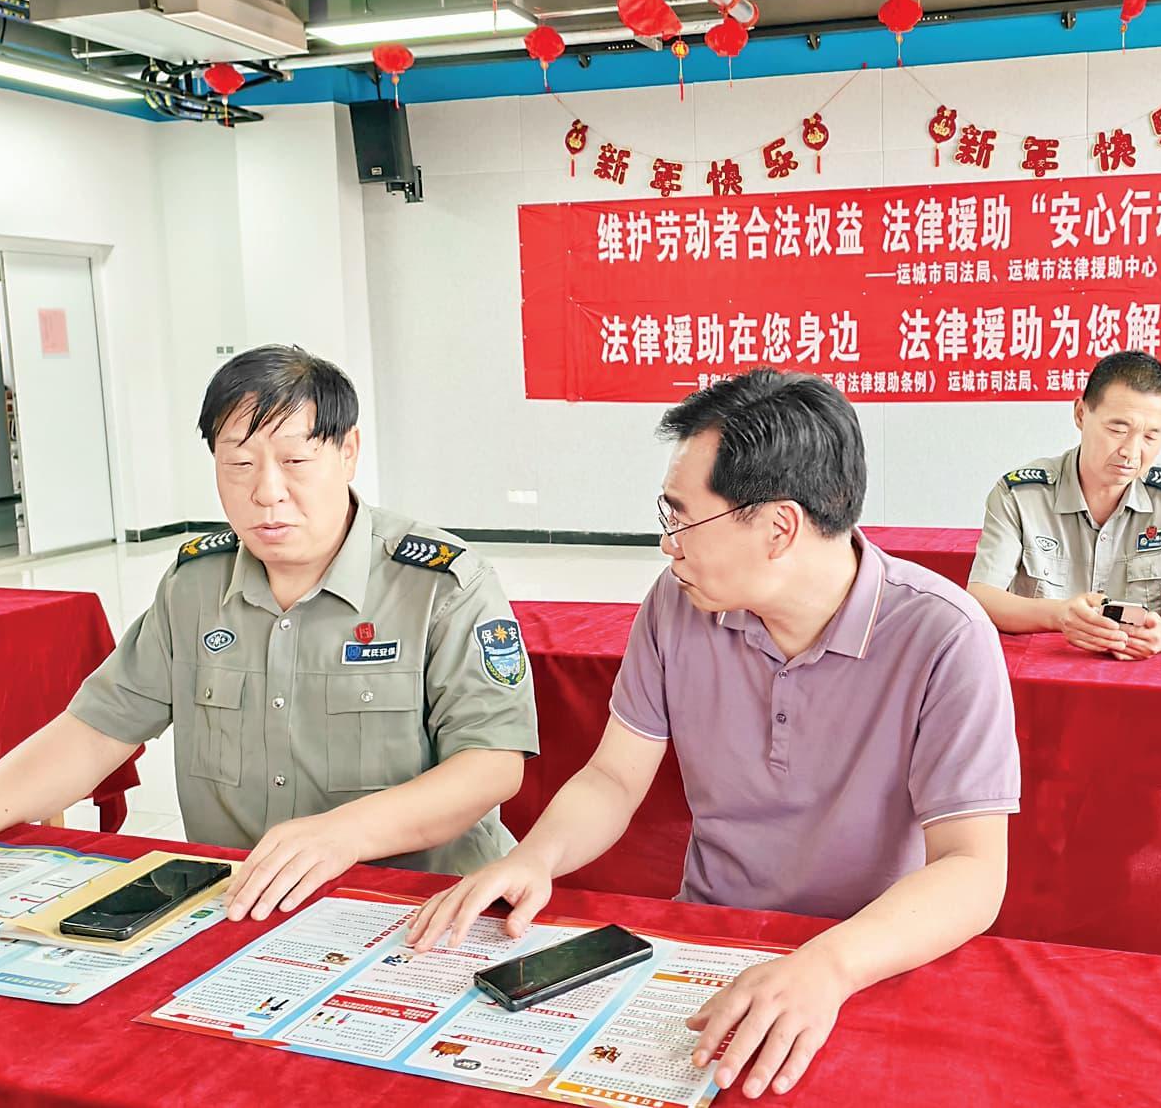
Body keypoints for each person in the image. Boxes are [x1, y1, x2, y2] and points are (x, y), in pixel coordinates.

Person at [406, 369, 1020, 1100]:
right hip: (707, 942)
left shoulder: (944, 636)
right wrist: (536, 858)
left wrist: (829, 965)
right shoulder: (678, 605)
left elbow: (972, 868)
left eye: (683, 520)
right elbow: (613, 777)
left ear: (779, 528)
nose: (668, 547)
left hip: (865, 957)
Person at [0, 345, 538, 922]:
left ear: (348, 452)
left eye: (295, 459)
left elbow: (491, 764)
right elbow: (97, 731)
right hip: (240, 904)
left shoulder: (440, 584)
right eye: (239, 463)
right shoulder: (195, 585)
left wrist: (345, 833)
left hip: (417, 905)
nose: (267, 492)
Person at [966, 351, 1161, 658]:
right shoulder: (1021, 495)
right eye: (1118, 430)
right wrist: (1058, 615)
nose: (1131, 452)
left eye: (1151, 436)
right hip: (1041, 670)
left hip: (1130, 673)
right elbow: (982, 595)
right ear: (1080, 414)